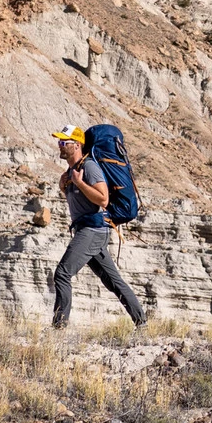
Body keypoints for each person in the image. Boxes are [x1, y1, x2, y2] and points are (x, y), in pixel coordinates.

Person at [48, 125, 147, 329]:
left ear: (77, 145)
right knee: (113, 281)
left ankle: (58, 328)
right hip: (89, 230)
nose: (60, 145)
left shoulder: (90, 167)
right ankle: (142, 323)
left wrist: (80, 183)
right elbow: (80, 201)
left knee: (62, 274)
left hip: (92, 230)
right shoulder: (72, 171)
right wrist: (64, 186)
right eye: (59, 141)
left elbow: (103, 199)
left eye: (64, 142)